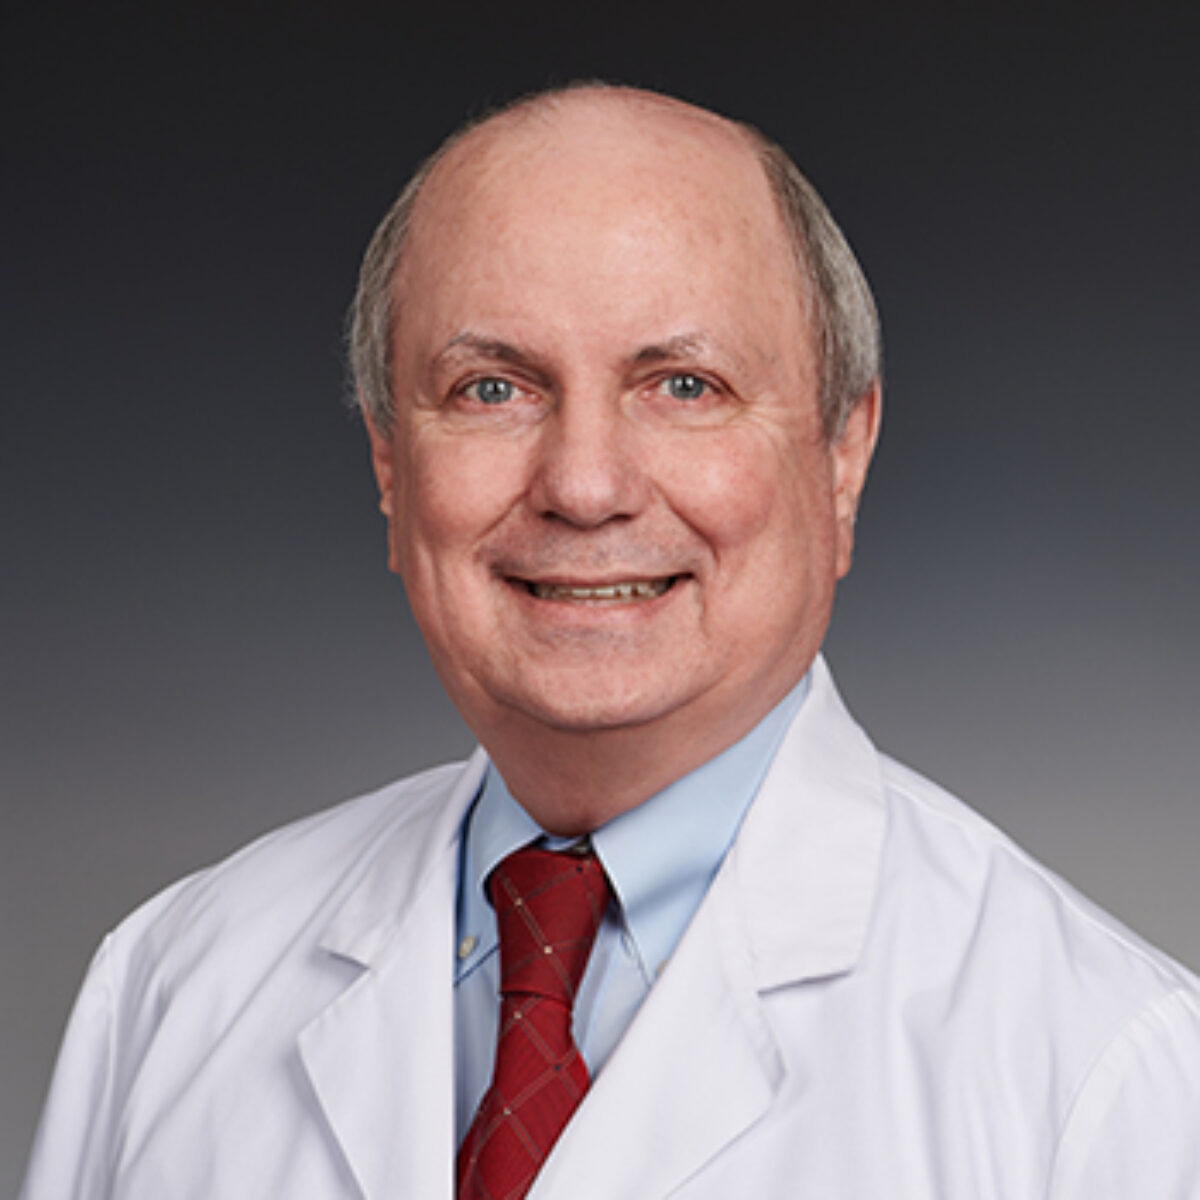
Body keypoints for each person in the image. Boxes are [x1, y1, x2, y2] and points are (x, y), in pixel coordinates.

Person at [20, 83, 1200, 1199]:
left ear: (843, 456)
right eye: (493, 389)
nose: (584, 486)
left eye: (684, 385)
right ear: (389, 464)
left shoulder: (1105, 1074)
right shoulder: (175, 985)